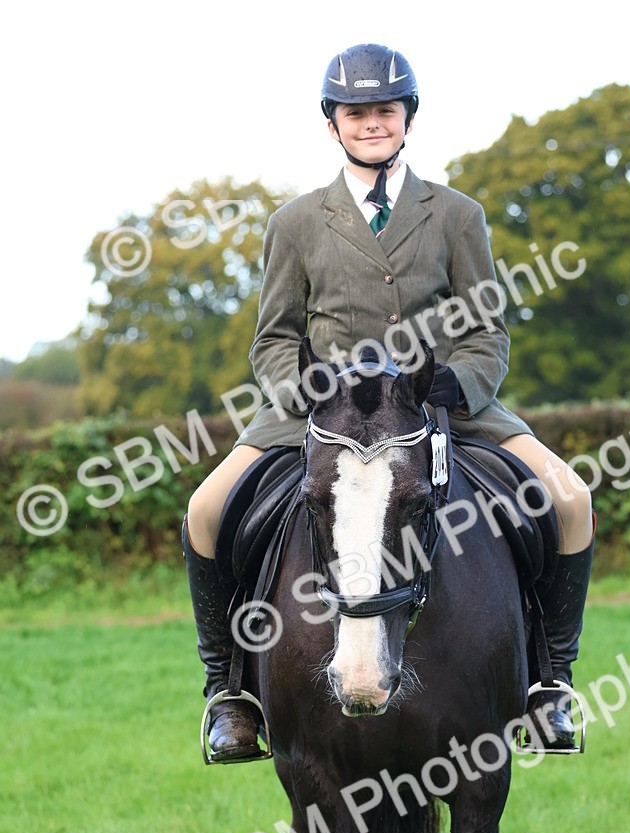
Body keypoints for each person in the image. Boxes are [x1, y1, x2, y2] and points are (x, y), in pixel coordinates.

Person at [182, 43, 595, 763]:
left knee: (571, 498)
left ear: (406, 116)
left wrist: (457, 384)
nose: (371, 123)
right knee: (204, 510)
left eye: (383, 110)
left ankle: (551, 685)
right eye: (356, 113)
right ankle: (229, 696)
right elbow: (274, 339)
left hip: (437, 405)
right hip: (319, 412)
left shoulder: (457, 215)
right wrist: (305, 391)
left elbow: (487, 328)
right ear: (333, 124)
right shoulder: (296, 222)